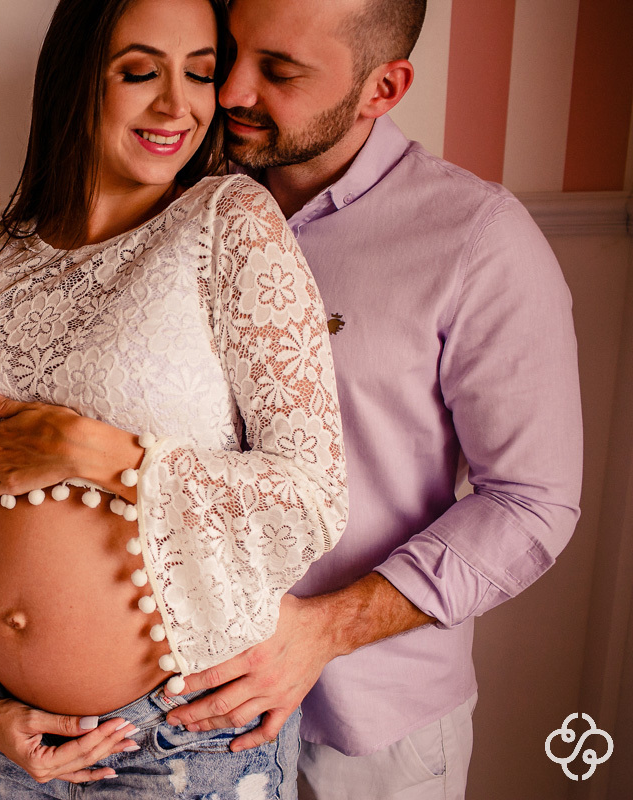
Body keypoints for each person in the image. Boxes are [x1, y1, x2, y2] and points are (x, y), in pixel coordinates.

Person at [0, 0, 348, 796]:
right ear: (79, 80)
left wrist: (103, 456)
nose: (178, 104)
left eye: (200, 74)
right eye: (141, 72)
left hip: (178, 738)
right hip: (7, 741)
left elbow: (310, 497)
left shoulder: (230, 222)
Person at [159, 1, 584, 798]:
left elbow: (533, 502)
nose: (230, 91)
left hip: (373, 736)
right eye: (230, 54)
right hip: (180, 716)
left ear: (382, 88)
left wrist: (322, 632)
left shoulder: (478, 240)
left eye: (280, 71)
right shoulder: (174, 204)